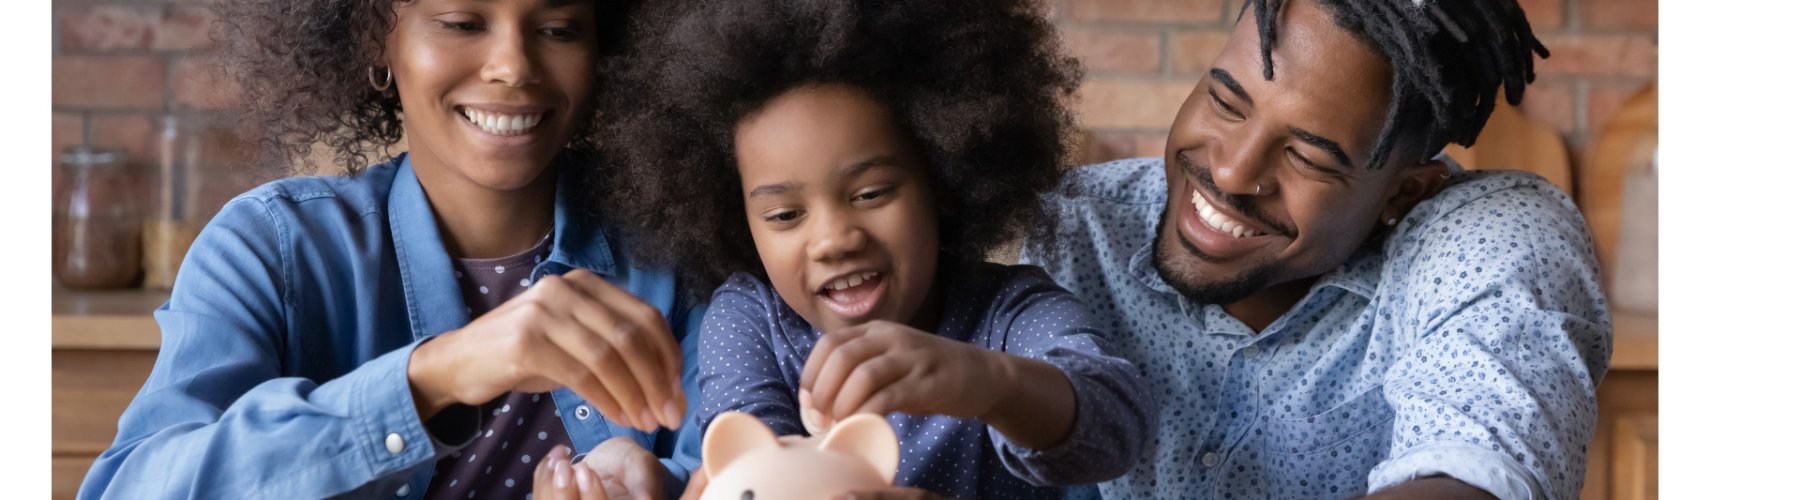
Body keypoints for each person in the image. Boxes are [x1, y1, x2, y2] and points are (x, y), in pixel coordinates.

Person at [78, 0, 707, 498]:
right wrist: (437, 374)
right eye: (462, 21)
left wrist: (669, 489)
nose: (513, 65)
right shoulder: (270, 247)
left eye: (561, 28)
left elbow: (754, 467)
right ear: (378, 40)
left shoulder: (685, 245)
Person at [530, 1, 1156, 499]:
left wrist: (986, 382)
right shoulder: (750, 317)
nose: (833, 239)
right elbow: (745, 445)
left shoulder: (1013, 312)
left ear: (941, 178)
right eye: (784, 214)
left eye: (871, 192)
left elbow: (1117, 426)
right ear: (734, 216)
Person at [1019, 0, 1610, 498]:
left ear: (1402, 191)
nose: (1229, 171)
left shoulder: (1489, 237)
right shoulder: (1079, 227)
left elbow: (1479, 458)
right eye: (1226, 103)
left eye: (1308, 158)